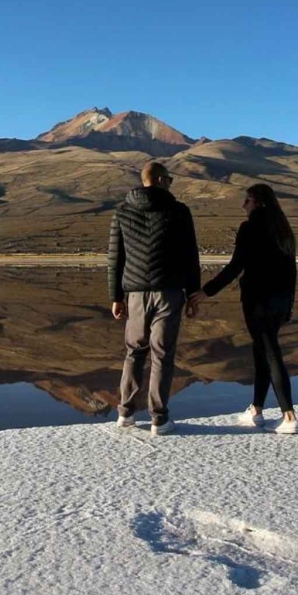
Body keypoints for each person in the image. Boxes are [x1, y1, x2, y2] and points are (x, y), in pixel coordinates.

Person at [188, 183, 298, 434]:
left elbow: (236, 266)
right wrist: (290, 305)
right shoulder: (284, 230)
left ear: (258, 202)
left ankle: (289, 416)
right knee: (262, 350)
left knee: (271, 353)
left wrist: (207, 291)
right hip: (281, 301)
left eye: (247, 200)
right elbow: (292, 272)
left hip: (258, 300)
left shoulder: (250, 227)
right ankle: (256, 410)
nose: (243, 205)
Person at [107, 161, 202, 436]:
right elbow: (190, 255)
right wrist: (193, 294)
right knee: (162, 354)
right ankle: (158, 419)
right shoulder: (179, 211)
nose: (171, 183)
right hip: (169, 292)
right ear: (160, 180)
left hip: (135, 294)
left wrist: (116, 297)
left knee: (134, 351)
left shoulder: (122, 211)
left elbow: (115, 259)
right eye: (169, 179)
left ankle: (125, 413)